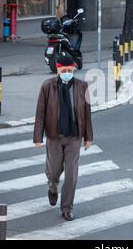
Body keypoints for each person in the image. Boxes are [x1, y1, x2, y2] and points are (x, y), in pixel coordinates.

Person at [33, 54, 93, 221]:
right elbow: (40, 113)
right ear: (57, 69)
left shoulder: (82, 86)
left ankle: (67, 208)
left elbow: (87, 114)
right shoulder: (47, 86)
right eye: (63, 70)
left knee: (71, 174)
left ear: (74, 69)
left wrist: (88, 137)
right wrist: (38, 136)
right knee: (53, 172)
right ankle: (52, 187)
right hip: (54, 136)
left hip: (74, 136)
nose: (67, 72)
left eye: (69, 70)